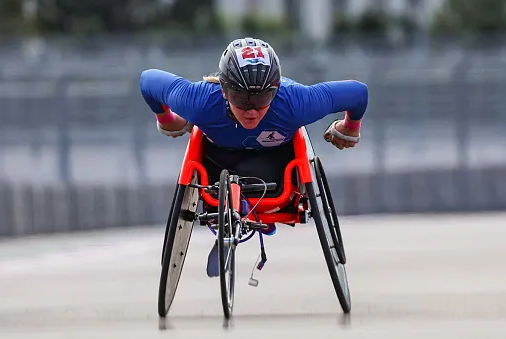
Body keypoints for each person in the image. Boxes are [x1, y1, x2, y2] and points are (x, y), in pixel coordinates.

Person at [139, 37, 368, 277]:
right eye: (241, 98)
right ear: (224, 90)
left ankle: (251, 211)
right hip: (218, 164)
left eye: (261, 99)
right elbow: (147, 80)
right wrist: (167, 119)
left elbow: (358, 94)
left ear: (276, 89)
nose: (251, 110)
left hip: (277, 166)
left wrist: (350, 128)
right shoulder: (200, 101)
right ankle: (237, 212)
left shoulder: (295, 102)